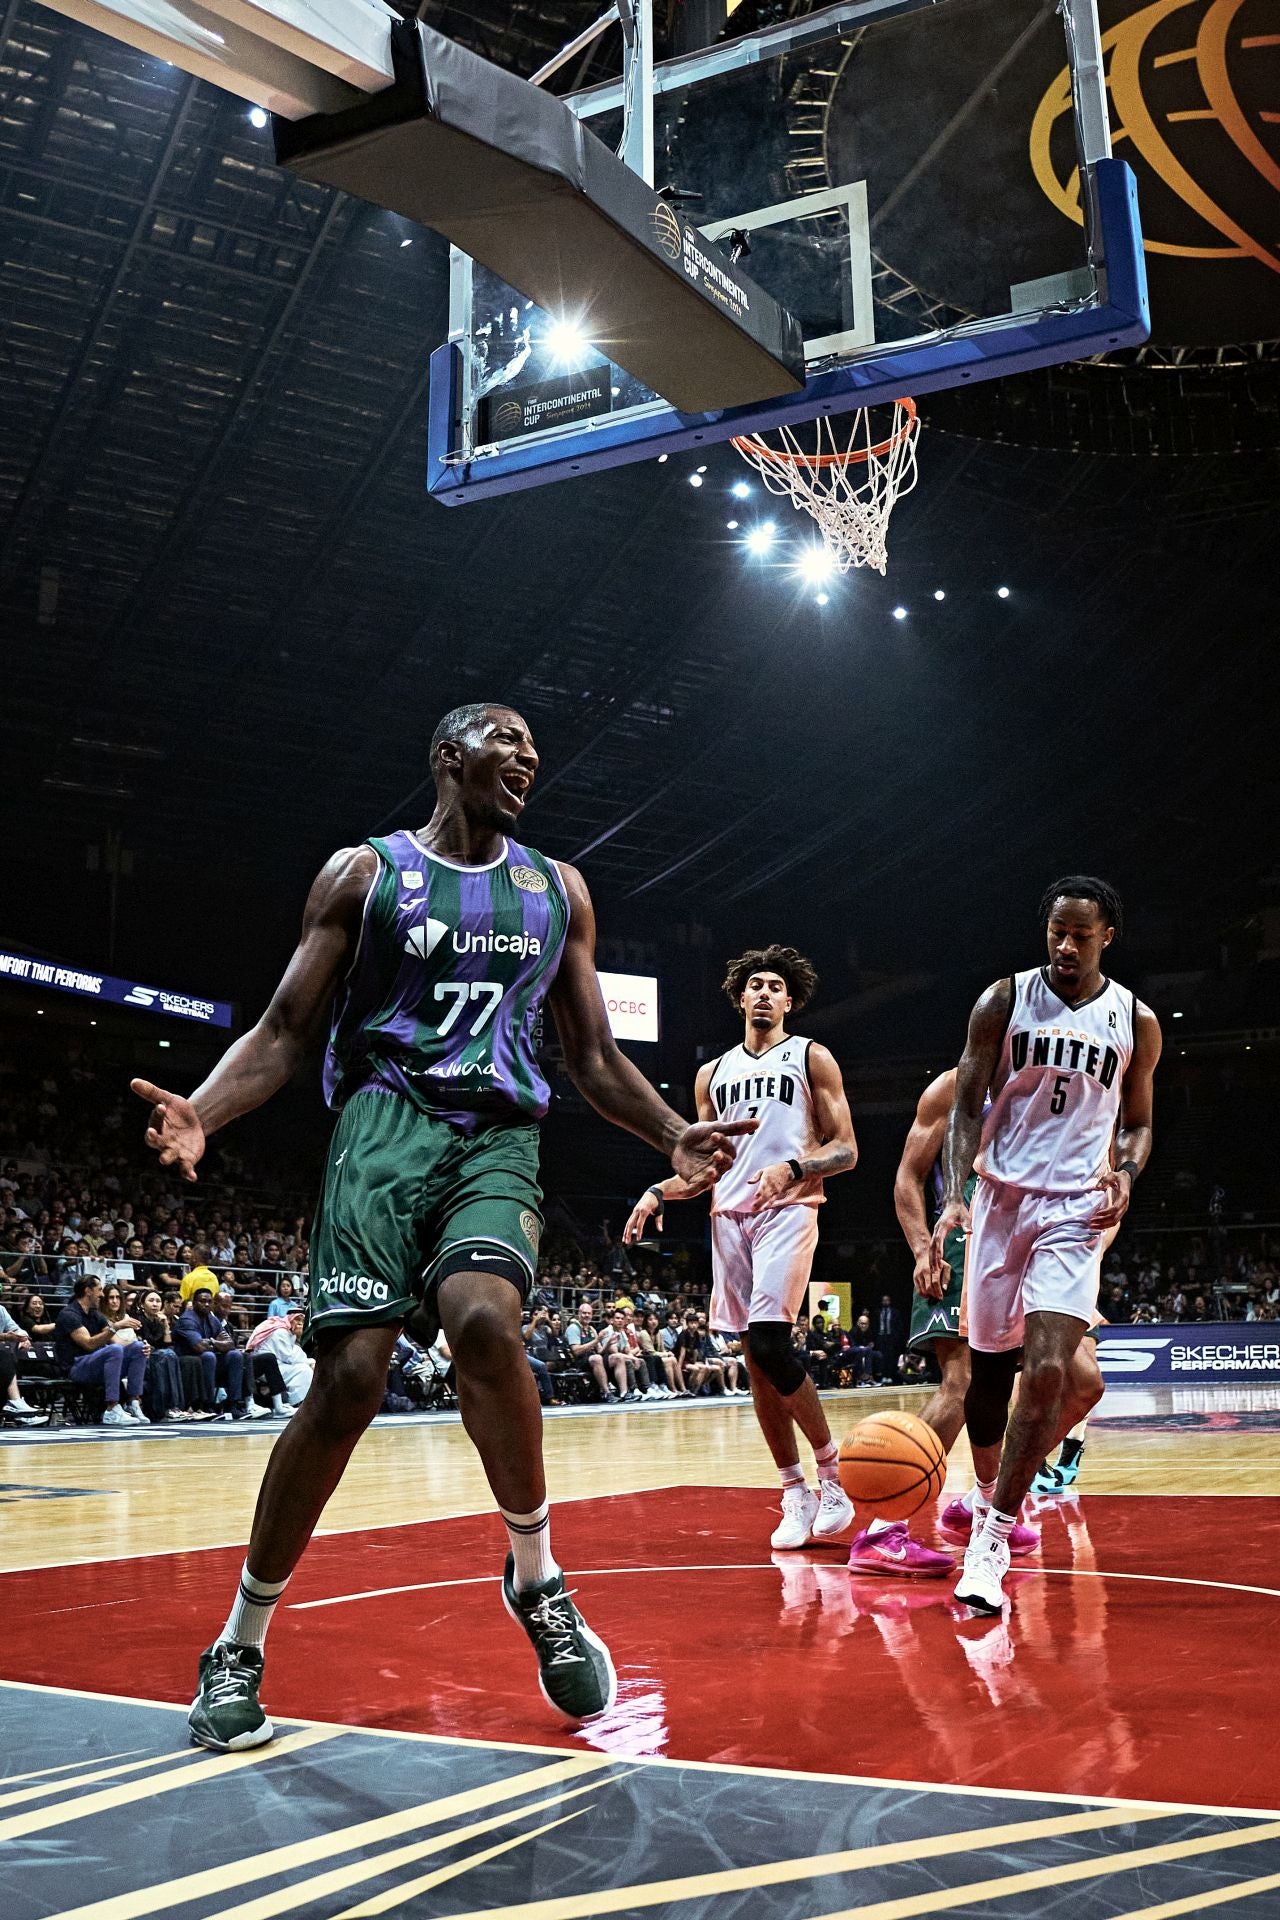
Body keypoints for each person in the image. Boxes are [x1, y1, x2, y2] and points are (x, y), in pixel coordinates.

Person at [132, 700, 751, 1750]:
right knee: (348, 1384)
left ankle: (536, 1576)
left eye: (532, 749)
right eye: (505, 742)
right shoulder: (362, 876)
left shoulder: (557, 890)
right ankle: (238, 1641)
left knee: (483, 1321)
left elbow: (592, 1055)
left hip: (495, 1136)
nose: (528, 759)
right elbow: (286, 1029)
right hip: (381, 1129)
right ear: (445, 757)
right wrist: (207, 1109)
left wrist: (667, 1134)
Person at [933, 876, 1160, 1615]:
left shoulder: (1136, 1019)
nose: (1066, 946)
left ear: (1107, 937)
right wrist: (957, 1195)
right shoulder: (1003, 1000)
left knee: (1053, 1366)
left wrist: (1126, 1168)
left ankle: (992, 1538)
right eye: (1057, 932)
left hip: (1075, 1208)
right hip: (1001, 1200)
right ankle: (987, 1491)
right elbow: (967, 1102)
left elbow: (1138, 1122)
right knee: (988, 1382)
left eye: (1081, 935)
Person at [625, 943, 858, 1549]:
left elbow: (847, 1151)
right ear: (739, 996)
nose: (764, 993)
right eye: (754, 984)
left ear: (789, 999)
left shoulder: (812, 1057)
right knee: (755, 1360)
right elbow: (704, 1169)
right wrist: (656, 1191)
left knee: (770, 1343)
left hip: (787, 1208)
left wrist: (795, 1166)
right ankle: (793, 1491)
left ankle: (831, 1477)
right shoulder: (712, 1074)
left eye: (775, 987)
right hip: (727, 1218)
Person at [53, 1274, 147, 1426]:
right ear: (88, 1291)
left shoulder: (95, 1314)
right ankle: (111, 1409)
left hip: (96, 1364)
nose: (102, 1295)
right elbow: (89, 1344)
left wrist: (141, 1347)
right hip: (76, 1368)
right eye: (100, 1290)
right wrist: (115, 1326)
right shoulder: (69, 1314)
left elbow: (118, 1341)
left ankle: (133, 1403)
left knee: (138, 1348)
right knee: (114, 1350)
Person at [173, 1287, 250, 1418]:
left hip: (209, 1361)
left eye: (209, 1301)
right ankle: (208, 1405)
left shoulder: (211, 1318)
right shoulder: (187, 1319)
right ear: (194, 1302)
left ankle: (233, 1404)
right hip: (189, 1362)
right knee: (208, 1356)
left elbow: (230, 1344)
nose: (207, 1304)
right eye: (202, 1301)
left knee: (235, 1355)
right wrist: (217, 1342)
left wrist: (212, 1342)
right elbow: (199, 1347)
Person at [135, 1286, 188, 1422]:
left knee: (169, 1354)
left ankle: (175, 1408)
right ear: (142, 1304)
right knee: (167, 1355)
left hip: (159, 1357)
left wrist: (166, 1326)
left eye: (158, 1301)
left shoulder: (159, 1321)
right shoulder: (137, 1320)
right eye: (151, 1300)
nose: (155, 1304)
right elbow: (144, 1343)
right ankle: (166, 1408)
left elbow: (167, 1344)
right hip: (141, 1359)